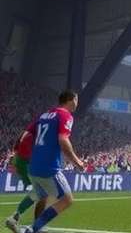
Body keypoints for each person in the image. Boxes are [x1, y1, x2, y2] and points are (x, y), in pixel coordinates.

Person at [16, 90, 84, 233]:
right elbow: (63, 140)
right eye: (76, 100)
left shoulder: (44, 115)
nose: (77, 103)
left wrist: (20, 152)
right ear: (70, 100)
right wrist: (77, 161)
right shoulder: (66, 115)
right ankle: (33, 228)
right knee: (67, 199)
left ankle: (24, 222)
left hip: (34, 165)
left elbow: (26, 134)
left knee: (43, 196)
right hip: (49, 166)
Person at [4, 128, 46, 231]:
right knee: (41, 191)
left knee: (39, 192)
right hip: (25, 162)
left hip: (20, 161)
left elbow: (17, 147)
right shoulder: (36, 136)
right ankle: (34, 225)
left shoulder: (28, 133)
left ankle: (15, 217)